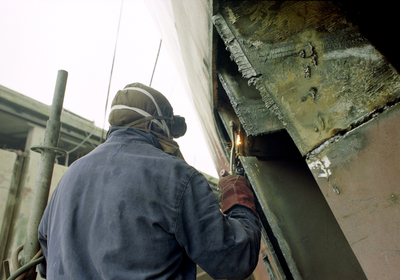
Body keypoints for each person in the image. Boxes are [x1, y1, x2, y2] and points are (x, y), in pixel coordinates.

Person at [38, 83, 261, 279]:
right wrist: (238, 198)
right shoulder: (177, 176)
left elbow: (45, 256)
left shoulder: (69, 176)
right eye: (170, 132)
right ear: (155, 125)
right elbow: (233, 260)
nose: (172, 140)